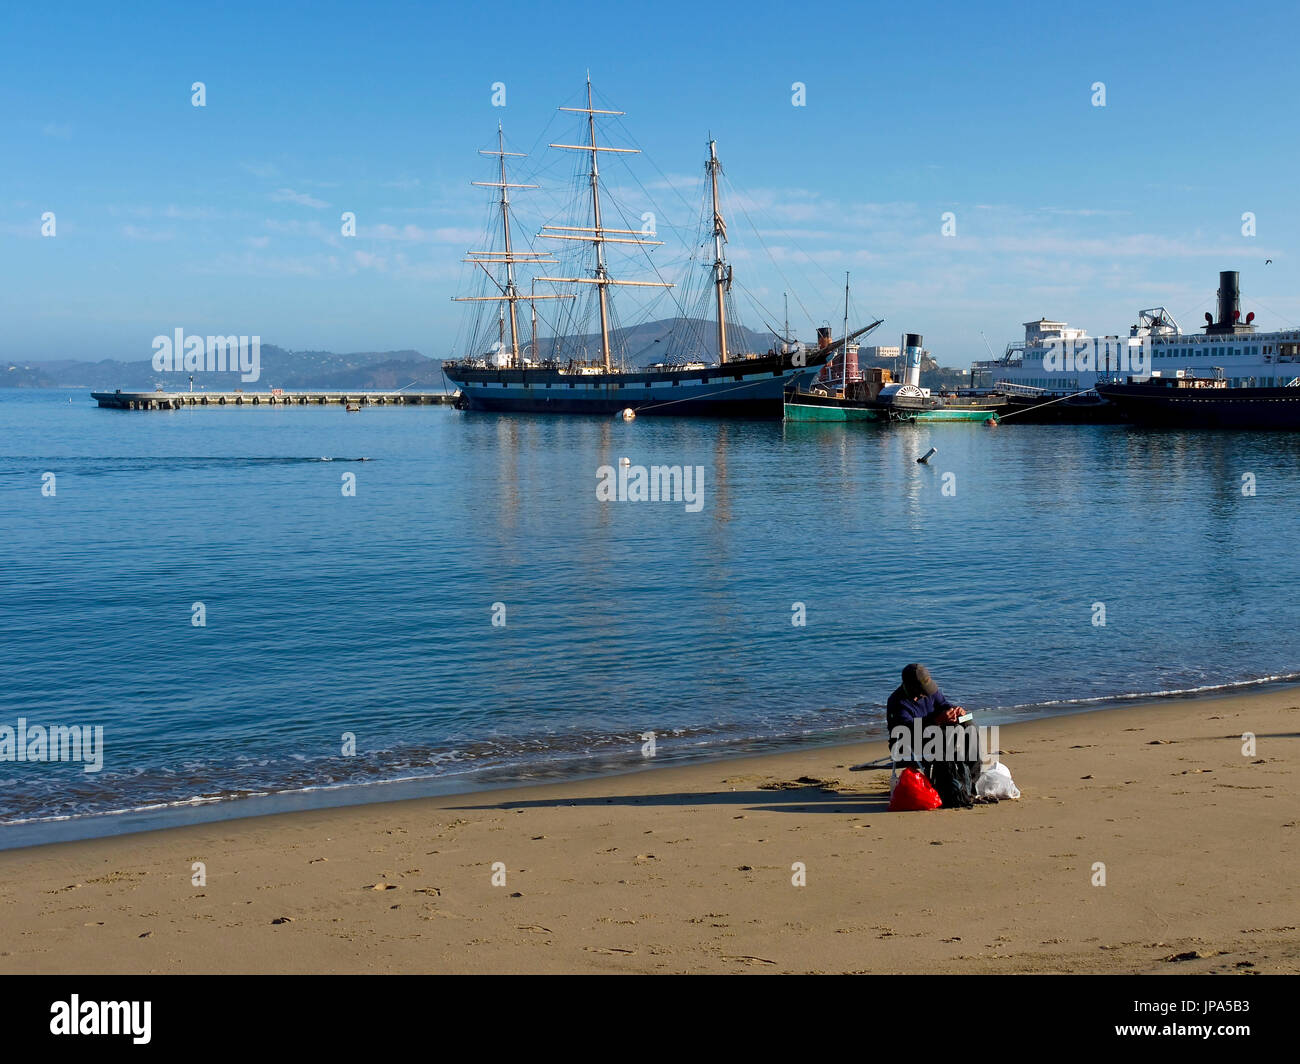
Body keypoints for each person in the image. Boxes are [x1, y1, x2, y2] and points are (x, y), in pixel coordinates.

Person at [886, 663, 967, 773]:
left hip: (933, 730)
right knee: (942, 735)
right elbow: (906, 730)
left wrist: (955, 710)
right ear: (911, 687)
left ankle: (972, 779)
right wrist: (936, 720)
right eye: (923, 691)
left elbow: (943, 704)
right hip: (906, 744)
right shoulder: (897, 702)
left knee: (968, 722)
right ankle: (946, 779)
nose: (926, 694)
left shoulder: (930, 691)